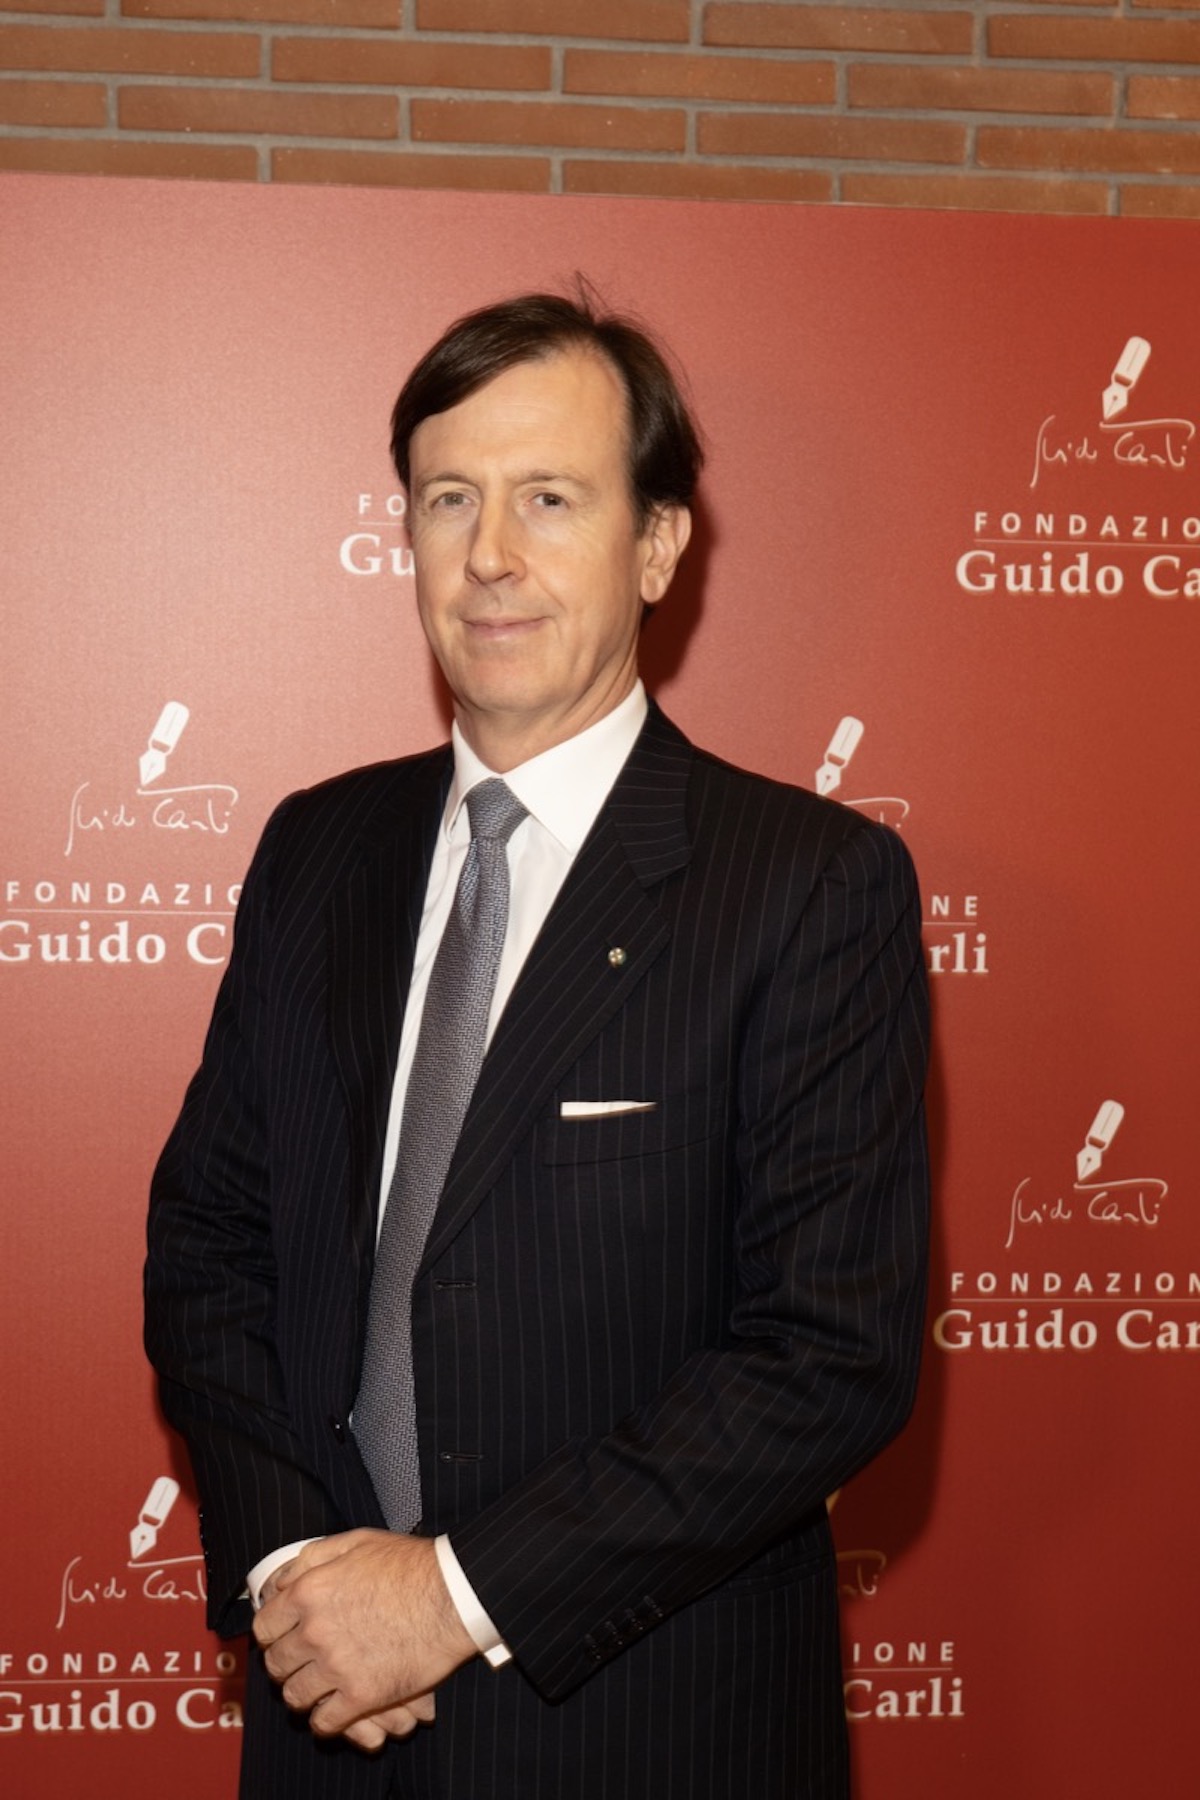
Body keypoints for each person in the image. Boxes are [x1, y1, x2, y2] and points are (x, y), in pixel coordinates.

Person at [145, 287, 930, 1800]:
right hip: (330, 1722)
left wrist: (448, 1599)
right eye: (450, 498)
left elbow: (827, 1355)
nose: (490, 554)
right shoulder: (317, 851)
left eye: (549, 499)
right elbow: (209, 1242)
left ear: (659, 545)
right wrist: (297, 1571)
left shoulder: (806, 886)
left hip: (645, 1732)